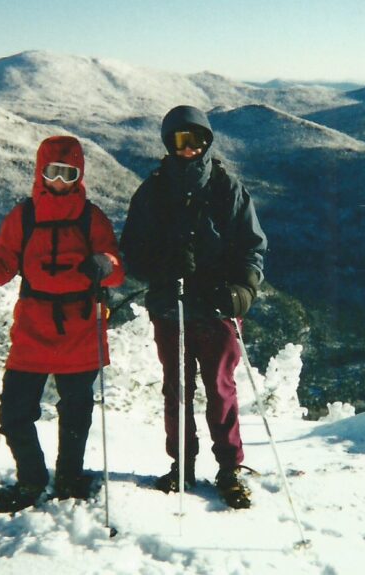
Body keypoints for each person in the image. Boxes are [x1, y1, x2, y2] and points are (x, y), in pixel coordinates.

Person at [0, 136, 124, 513]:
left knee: (76, 411)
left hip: (79, 326)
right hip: (34, 328)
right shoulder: (23, 217)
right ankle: (32, 480)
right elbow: (1, 265)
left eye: (68, 173)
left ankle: (69, 478)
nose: (60, 180)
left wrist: (103, 265)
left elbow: (115, 268)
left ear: (79, 176)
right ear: (40, 173)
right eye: (53, 172)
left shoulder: (92, 217)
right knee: (14, 412)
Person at [120, 105, 267, 509]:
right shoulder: (153, 191)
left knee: (220, 389)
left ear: (207, 143)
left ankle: (229, 468)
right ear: (169, 143)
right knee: (177, 391)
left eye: (198, 140)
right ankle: (181, 465)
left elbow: (253, 247)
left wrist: (244, 292)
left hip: (217, 306)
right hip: (171, 306)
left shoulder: (227, 188)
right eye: (182, 141)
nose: (190, 149)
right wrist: (162, 265)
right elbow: (131, 249)